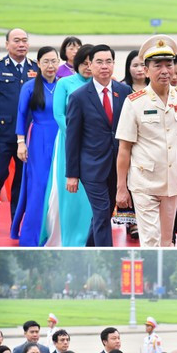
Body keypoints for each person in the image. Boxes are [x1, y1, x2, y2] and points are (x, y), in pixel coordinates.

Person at [115, 35, 177, 247]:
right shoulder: (135, 102)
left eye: (169, 64)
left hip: (173, 181)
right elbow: (124, 148)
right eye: (157, 65)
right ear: (146, 70)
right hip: (144, 182)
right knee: (150, 239)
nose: (165, 70)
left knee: (167, 240)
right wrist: (121, 187)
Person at [65, 44, 131, 247]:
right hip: (91, 167)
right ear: (90, 65)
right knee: (102, 213)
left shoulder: (124, 91)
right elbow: (72, 138)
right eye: (99, 62)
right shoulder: (78, 97)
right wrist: (72, 174)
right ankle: (107, 256)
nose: (104, 66)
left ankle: (89, 249)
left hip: (118, 165)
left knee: (104, 212)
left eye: (108, 62)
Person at [43, 43, 94, 247]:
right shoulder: (65, 83)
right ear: (76, 63)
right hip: (68, 142)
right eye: (84, 63)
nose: (88, 67)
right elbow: (58, 114)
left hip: (93, 144)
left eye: (92, 63)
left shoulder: (100, 84)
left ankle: (87, 235)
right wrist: (74, 136)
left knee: (90, 192)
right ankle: (64, 237)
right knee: (68, 190)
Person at [12, 46, 59, 246]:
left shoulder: (63, 85)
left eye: (54, 61)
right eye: (46, 61)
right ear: (38, 63)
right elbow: (21, 115)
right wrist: (21, 143)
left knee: (57, 186)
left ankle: (55, 234)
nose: (50, 65)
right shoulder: (30, 87)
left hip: (60, 140)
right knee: (38, 186)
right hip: (39, 139)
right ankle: (32, 236)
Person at [0, 28, 39, 224]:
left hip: (29, 135)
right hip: (3, 134)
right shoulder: (0, 67)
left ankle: (16, 221)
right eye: (16, 40)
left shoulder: (36, 69)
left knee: (22, 182)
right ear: (7, 44)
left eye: (24, 40)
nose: (21, 44)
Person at [115, 49, 147, 240]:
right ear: (128, 67)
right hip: (127, 141)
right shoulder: (121, 89)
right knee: (128, 181)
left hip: (147, 144)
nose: (139, 69)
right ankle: (131, 221)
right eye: (135, 65)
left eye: (143, 64)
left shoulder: (155, 88)